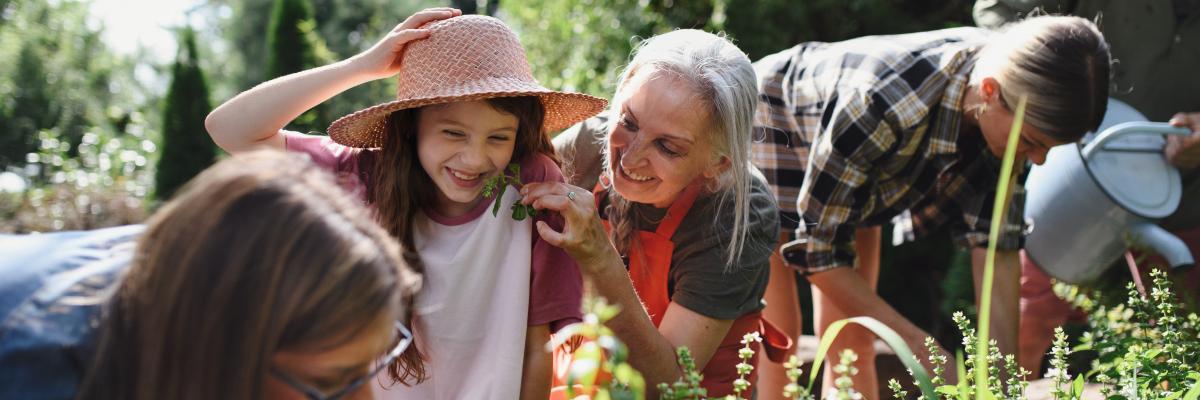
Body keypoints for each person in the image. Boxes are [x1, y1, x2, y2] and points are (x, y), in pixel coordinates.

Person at [204, 9, 606, 399]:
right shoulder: (365, 174)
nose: (475, 159)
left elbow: (540, 343)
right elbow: (230, 130)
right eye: (453, 133)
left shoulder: (533, 183)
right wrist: (362, 66)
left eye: (498, 138)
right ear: (411, 124)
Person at [748, 15, 1111, 397]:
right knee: (780, 336)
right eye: (1032, 142)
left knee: (852, 341)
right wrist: (925, 351)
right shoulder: (884, 103)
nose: (1037, 161)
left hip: (858, 165)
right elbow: (816, 255)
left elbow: (997, 251)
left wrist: (1000, 387)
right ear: (989, 91)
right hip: (776, 117)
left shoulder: (1013, 101)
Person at [0, 150, 421, 400]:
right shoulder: (40, 375)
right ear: (224, 346)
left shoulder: (202, 255)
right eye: (332, 384)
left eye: (369, 366)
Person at [520, 29, 789, 397]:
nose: (628, 159)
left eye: (667, 147)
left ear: (717, 163)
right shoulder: (588, 145)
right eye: (628, 122)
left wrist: (599, 257)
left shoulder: (736, 214)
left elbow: (670, 385)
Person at [974, 0, 1200, 377]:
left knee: (1180, 341)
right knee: (1025, 321)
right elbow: (1000, 15)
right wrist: (1054, 103)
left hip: (1185, 189)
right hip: (1071, 175)